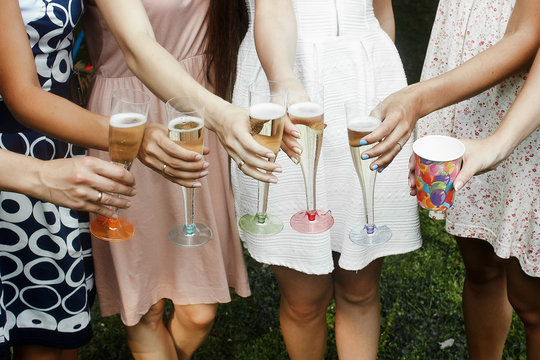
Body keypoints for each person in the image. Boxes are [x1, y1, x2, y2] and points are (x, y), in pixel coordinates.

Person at [82, 0, 283, 358]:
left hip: (197, 112)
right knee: (148, 307)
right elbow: (138, 46)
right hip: (132, 115)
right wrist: (220, 115)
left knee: (199, 311)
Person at [231, 0, 421, 358]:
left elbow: (382, 11)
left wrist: (380, 77)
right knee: (304, 297)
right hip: (284, 81)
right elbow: (271, 10)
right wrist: (283, 81)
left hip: (365, 84)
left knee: (360, 287)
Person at [362, 1, 540, 358]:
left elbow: (527, 35)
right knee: (481, 268)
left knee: (531, 298)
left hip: (526, 107)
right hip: (464, 77)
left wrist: (418, 97)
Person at [0, 1, 140, 358]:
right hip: (12, 152)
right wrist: (138, 136)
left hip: (60, 146)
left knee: (53, 329)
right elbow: (22, 95)